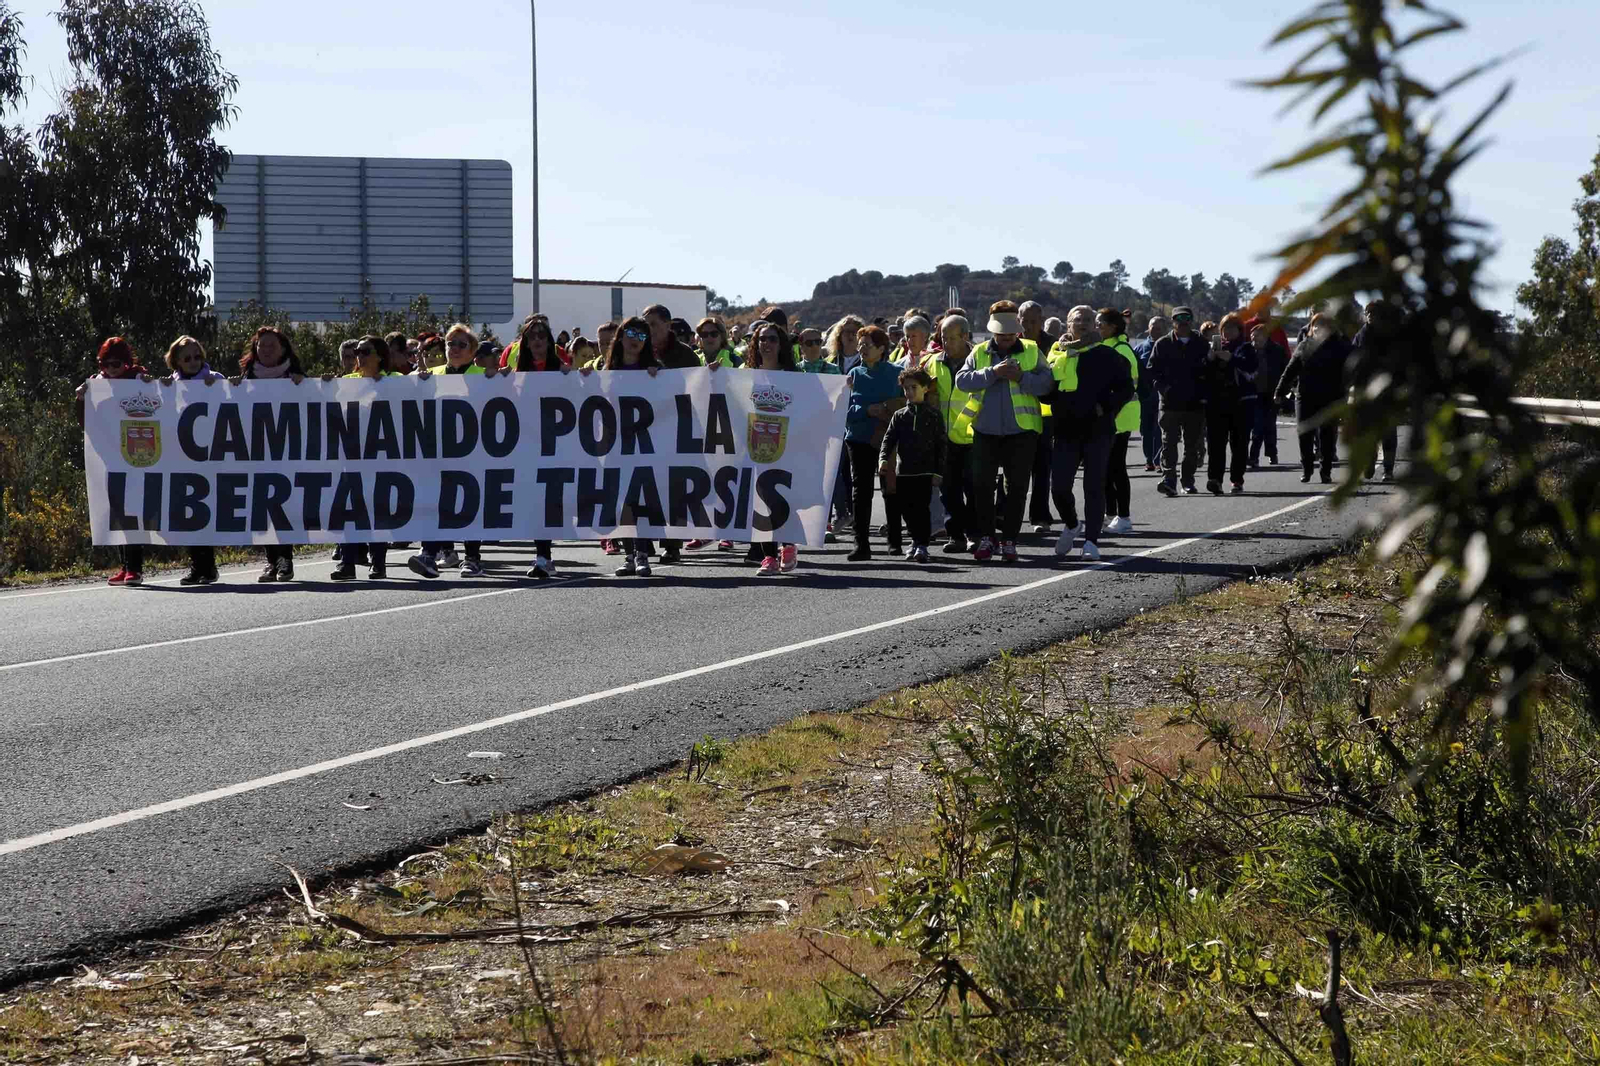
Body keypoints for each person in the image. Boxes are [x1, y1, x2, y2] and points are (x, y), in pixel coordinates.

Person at [406, 324, 511, 580]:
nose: (454, 349)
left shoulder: (483, 374)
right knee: (436, 502)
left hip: (473, 452)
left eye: (461, 344)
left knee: (469, 503)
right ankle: (429, 554)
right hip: (438, 453)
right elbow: (396, 392)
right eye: (450, 343)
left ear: (473, 350)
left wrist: (505, 379)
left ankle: (472, 558)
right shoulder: (432, 374)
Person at [953, 300, 1053, 563]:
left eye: (1010, 335)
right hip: (985, 430)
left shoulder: (1031, 351)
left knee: (1017, 488)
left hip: (1022, 432)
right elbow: (962, 381)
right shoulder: (979, 352)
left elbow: (1047, 384)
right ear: (993, 332)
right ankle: (987, 538)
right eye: (1001, 335)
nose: (1006, 339)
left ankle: (1009, 540)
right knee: (982, 486)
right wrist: (993, 373)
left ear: (1017, 331)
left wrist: (1021, 378)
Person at [1043, 307, 1133, 561]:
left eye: (1087, 320)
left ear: (1095, 325)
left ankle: (1091, 542)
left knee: (1094, 486)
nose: (1082, 324)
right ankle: (1072, 524)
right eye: (1077, 319)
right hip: (1065, 430)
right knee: (1059, 488)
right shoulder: (1058, 354)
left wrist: (1106, 407)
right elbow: (1047, 390)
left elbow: (1127, 388)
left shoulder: (1107, 354)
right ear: (1068, 324)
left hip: (1098, 430)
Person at [235, 327, 310, 581]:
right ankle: (270, 560)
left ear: (284, 350)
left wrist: (308, 385)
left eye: (271, 346)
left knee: (283, 506)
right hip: (256, 452)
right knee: (263, 508)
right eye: (261, 345)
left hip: (288, 452)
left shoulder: (297, 377)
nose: (265, 350)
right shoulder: (246, 376)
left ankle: (285, 559)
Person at [77, 338, 152, 585]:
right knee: (117, 513)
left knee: (132, 512)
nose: (111, 368)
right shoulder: (96, 384)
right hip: (109, 456)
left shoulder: (139, 380)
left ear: (127, 362)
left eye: (116, 363)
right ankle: (124, 565)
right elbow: (86, 422)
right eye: (106, 363)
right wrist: (80, 400)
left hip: (136, 455)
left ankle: (135, 569)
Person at [602, 318, 665, 576]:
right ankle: (629, 555)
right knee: (622, 502)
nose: (635, 338)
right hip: (615, 444)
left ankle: (642, 554)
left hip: (644, 446)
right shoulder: (606, 369)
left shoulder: (655, 370)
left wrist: (658, 380)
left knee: (639, 500)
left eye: (642, 334)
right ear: (620, 336)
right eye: (630, 332)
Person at [331, 336, 393, 580]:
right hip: (352, 455)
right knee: (349, 508)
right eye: (357, 351)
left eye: (365, 351)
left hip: (382, 455)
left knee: (376, 508)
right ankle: (347, 562)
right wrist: (327, 386)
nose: (360, 356)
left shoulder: (395, 381)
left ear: (379, 355)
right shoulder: (347, 382)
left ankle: (378, 562)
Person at [742, 322, 802, 574]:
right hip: (754, 447)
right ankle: (769, 557)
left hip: (787, 446)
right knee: (761, 500)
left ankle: (788, 544)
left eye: (772, 339)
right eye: (762, 339)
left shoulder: (795, 376)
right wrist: (714, 375)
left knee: (782, 497)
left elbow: (818, 403)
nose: (766, 344)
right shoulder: (745, 373)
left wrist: (843, 390)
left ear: (781, 344)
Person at [844, 324, 905, 561]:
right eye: (859, 344)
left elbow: (906, 402)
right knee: (861, 491)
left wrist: (888, 408)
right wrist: (867, 410)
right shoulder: (853, 375)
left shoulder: (896, 373)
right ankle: (861, 545)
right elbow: (844, 410)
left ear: (881, 349)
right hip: (858, 438)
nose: (861, 349)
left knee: (891, 489)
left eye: (867, 345)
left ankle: (895, 541)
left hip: (888, 438)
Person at [879, 368, 946, 564]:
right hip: (904, 471)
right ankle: (915, 541)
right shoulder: (900, 415)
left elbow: (942, 446)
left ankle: (922, 544)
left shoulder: (934, 415)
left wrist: (938, 472)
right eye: (906, 388)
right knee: (907, 509)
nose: (909, 392)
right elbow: (888, 440)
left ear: (925, 388)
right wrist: (883, 459)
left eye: (914, 387)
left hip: (926, 471)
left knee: (922, 509)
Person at [1275, 311, 1351, 484]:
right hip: (1305, 396)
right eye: (1315, 324)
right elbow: (1290, 370)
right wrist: (1280, 390)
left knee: (1327, 435)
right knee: (1305, 433)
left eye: (1323, 324)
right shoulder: (1304, 346)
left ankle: (1325, 470)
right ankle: (1307, 468)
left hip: (1331, 397)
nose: (1318, 327)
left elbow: (1352, 368)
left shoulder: (1340, 346)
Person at [923, 314, 976, 553]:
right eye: (943, 337)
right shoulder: (933, 362)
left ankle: (977, 534)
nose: (946, 342)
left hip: (974, 435)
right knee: (949, 491)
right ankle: (957, 536)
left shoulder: (981, 359)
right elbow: (916, 387)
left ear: (965, 337)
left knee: (975, 489)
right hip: (944, 438)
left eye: (951, 338)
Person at [1149, 306, 1209, 495]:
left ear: (1192, 321)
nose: (1183, 323)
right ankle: (1169, 479)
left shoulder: (1202, 343)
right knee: (1169, 443)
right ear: (1172, 322)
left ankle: (1188, 481)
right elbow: (1152, 372)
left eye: (1187, 319)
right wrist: (1165, 389)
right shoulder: (1162, 344)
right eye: (1178, 319)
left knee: (1191, 445)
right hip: (1170, 404)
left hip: (1195, 404)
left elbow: (1212, 370)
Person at [1200, 313, 1258, 494]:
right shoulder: (1213, 349)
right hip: (1216, 403)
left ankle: (1236, 480)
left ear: (1240, 330)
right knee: (1215, 444)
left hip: (1241, 404)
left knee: (1239, 444)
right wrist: (1210, 358)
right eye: (1225, 328)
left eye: (1233, 328)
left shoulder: (1246, 348)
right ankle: (1215, 479)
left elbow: (1252, 369)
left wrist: (1230, 358)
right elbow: (1201, 373)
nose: (1228, 332)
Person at [1098, 310, 1141, 534]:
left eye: (1100, 324)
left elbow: (1123, 389)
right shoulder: (1112, 347)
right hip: (1116, 417)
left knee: (1116, 469)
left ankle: (1123, 517)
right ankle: (1111, 514)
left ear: (1113, 327)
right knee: (1108, 468)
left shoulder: (1120, 350)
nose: (1096, 327)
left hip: (1119, 418)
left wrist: (1110, 412)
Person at [1019, 300, 1058, 534]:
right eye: (1026, 321)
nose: (1030, 325)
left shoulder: (1053, 345)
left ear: (1041, 321)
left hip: (1045, 417)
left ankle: (1040, 517)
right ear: (1019, 320)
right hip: (1015, 416)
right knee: (1011, 470)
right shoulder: (1010, 343)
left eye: (1034, 321)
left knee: (1042, 469)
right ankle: (1003, 514)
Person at [1351, 299, 1400, 481]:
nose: (1371, 316)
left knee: (1388, 432)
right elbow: (1352, 363)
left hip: (1388, 392)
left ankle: (1388, 470)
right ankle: (1370, 462)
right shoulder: (1360, 336)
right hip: (1365, 393)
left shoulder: (1392, 337)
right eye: (1368, 313)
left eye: (1374, 313)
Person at [1246, 323, 1288, 468]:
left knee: (1269, 425)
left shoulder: (1277, 350)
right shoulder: (1248, 351)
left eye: (1257, 336)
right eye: (1252, 337)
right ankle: (1254, 456)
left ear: (1265, 336)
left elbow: (1285, 371)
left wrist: (1282, 391)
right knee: (1257, 426)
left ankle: (1272, 453)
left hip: (1272, 393)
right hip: (1254, 394)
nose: (1254, 340)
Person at [1133, 316, 1168, 471]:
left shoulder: (1169, 347)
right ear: (1148, 328)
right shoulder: (1139, 349)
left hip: (1163, 396)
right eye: (1153, 327)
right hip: (1145, 396)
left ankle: (1159, 460)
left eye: (1159, 327)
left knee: (1159, 429)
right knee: (1146, 429)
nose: (1156, 330)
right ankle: (1149, 459)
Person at [642, 304, 702, 370]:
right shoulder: (637, 352)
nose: (649, 329)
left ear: (668, 325)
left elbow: (697, 378)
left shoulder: (686, 354)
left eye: (653, 324)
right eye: (645, 325)